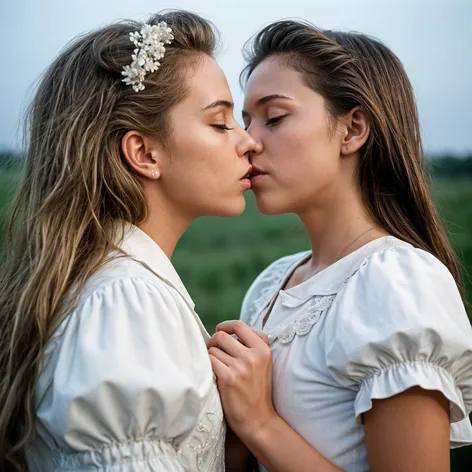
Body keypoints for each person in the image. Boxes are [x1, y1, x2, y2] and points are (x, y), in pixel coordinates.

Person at [207, 20, 472, 472]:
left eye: (274, 118)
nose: (249, 141)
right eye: (246, 120)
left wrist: (260, 423)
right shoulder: (272, 283)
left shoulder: (397, 281)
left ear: (353, 130)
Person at [0, 10, 257, 471]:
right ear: (143, 152)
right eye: (221, 124)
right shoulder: (126, 303)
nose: (248, 142)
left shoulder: (109, 288)